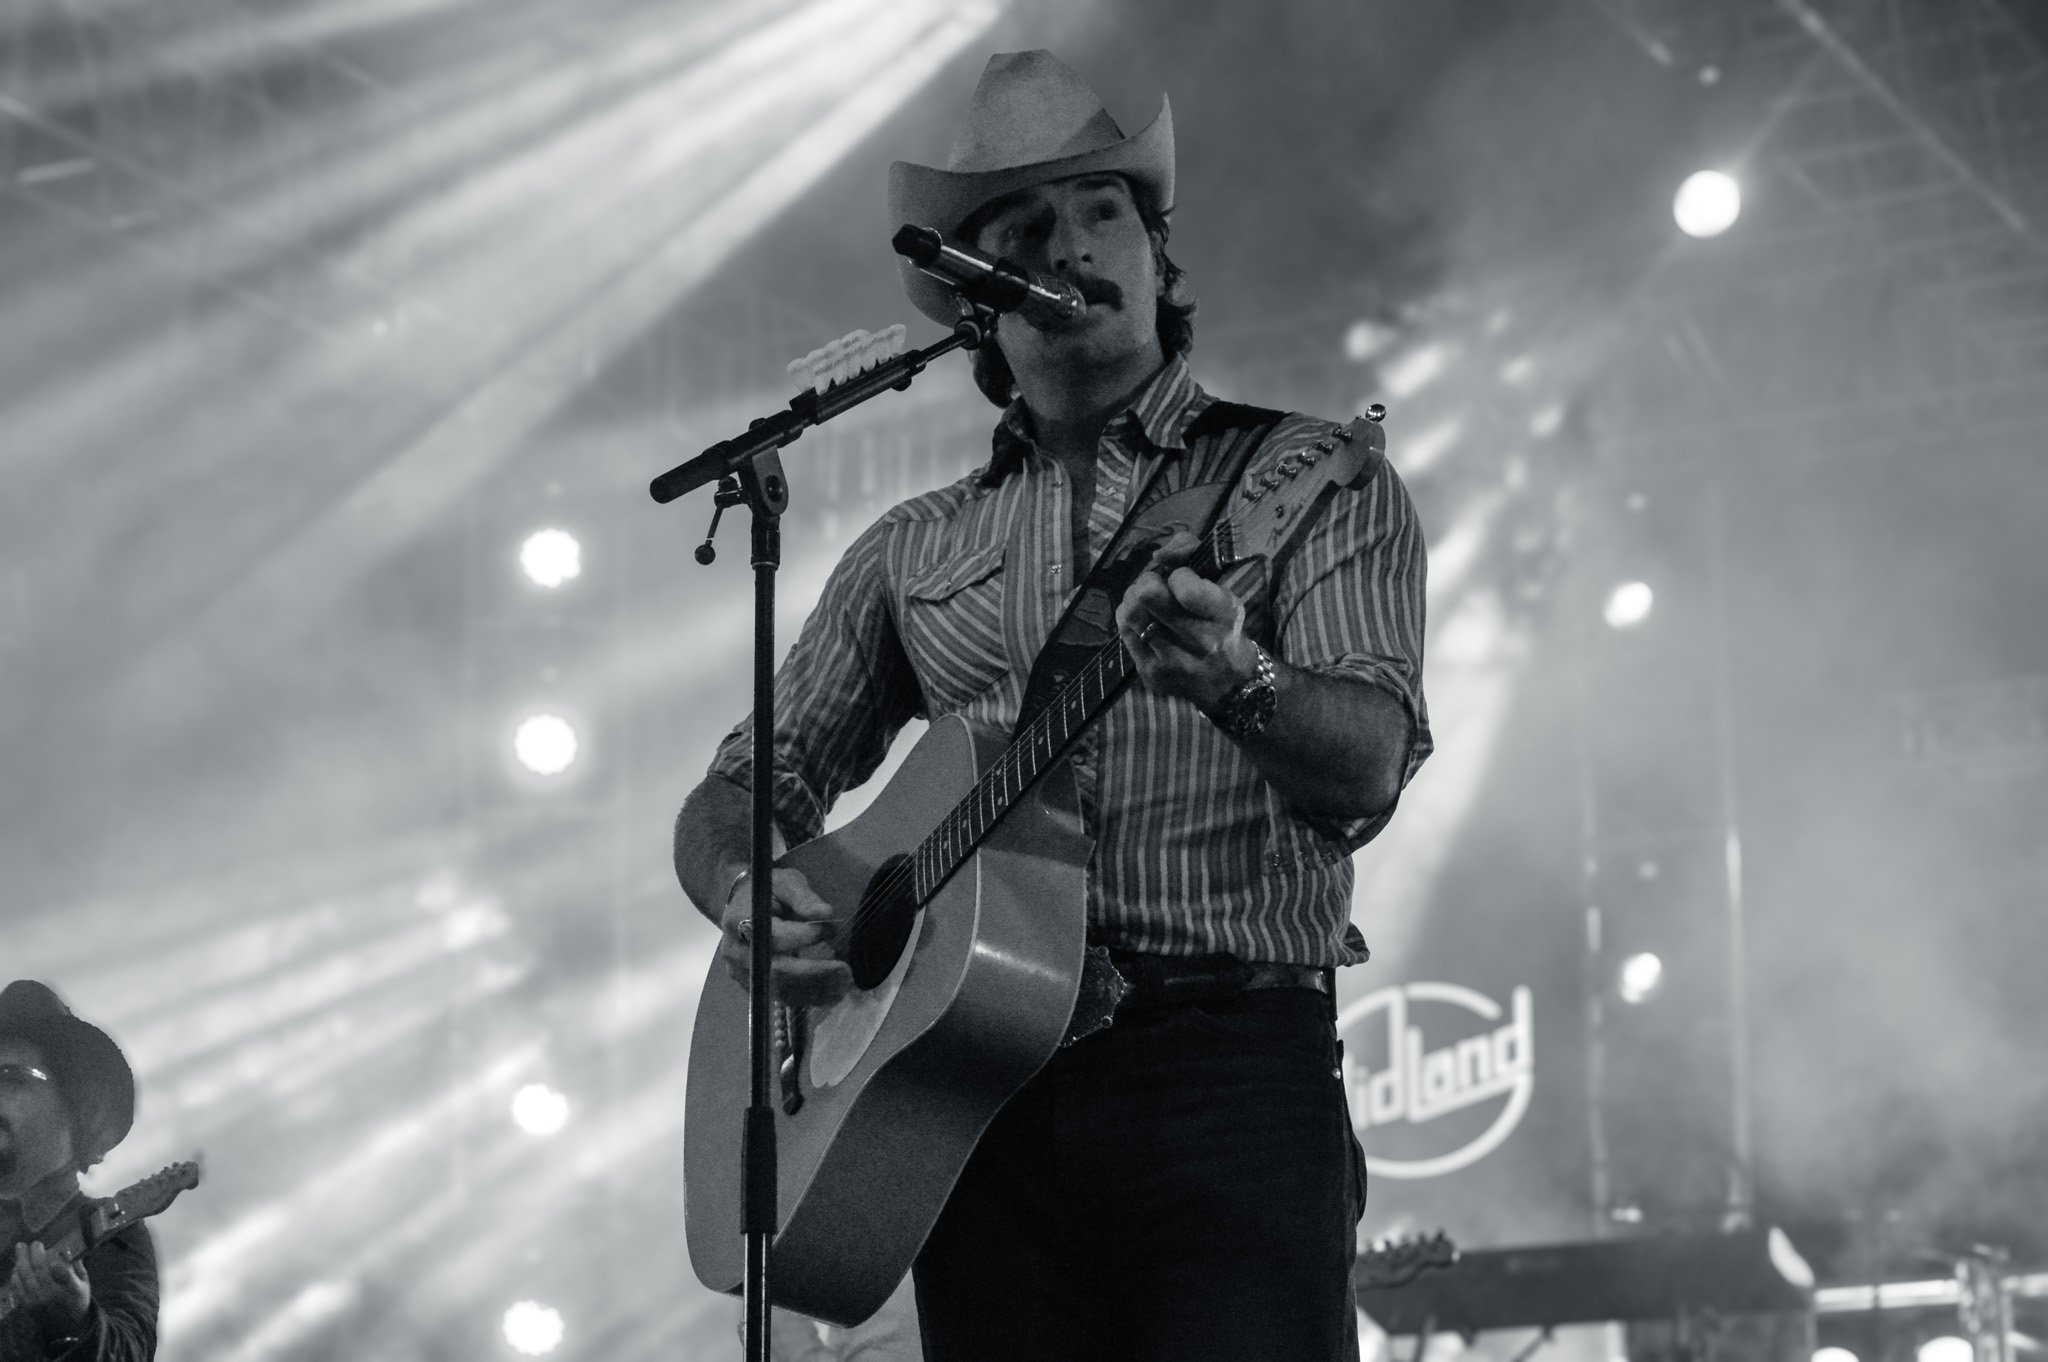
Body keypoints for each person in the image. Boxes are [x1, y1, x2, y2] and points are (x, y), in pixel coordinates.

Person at [674, 50, 1431, 1361]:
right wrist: (748, 889)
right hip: (968, 1106)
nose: (1068, 246)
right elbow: (742, 786)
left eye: (1100, 209)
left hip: (1229, 1074)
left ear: (1156, 254)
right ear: (977, 297)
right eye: (1021, 230)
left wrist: (1236, 679)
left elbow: (1367, 765)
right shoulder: (910, 549)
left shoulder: (1308, 474)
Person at [0, 981, 157, 1361]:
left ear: (78, 1108)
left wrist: (75, 1320)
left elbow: (129, 1352)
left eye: (11, 1077)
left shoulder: (115, 1234)